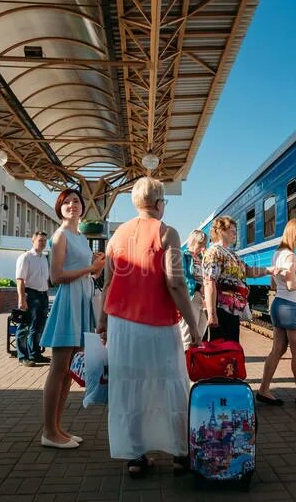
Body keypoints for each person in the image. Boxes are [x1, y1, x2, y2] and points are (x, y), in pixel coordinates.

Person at [97, 177, 199, 478]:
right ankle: (181, 453)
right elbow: (176, 282)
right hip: (157, 323)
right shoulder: (168, 233)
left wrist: (102, 321)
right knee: (171, 383)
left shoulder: (116, 237)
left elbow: (107, 283)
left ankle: (135, 456)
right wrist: (193, 325)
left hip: (122, 325)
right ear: (158, 204)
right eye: (164, 201)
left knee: (129, 386)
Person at [39, 189, 106, 449]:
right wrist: (92, 268)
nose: (71, 205)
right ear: (59, 208)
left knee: (68, 370)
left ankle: (57, 428)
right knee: (58, 369)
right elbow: (56, 276)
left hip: (82, 300)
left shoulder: (80, 237)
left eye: (76, 201)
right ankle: (49, 431)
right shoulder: (60, 236)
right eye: (65, 202)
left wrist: (94, 267)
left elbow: (81, 271)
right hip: (69, 304)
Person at [257, 218, 296, 406]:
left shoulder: (277, 254)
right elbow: (292, 285)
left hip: (278, 304)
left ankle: (263, 390)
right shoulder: (291, 256)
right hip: (291, 307)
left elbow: (274, 283)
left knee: (277, 350)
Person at [202, 216, 275, 342]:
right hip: (220, 310)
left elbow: (247, 271)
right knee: (220, 352)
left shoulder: (232, 254)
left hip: (232, 311)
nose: (235, 234)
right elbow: (209, 282)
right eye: (232, 231)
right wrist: (212, 314)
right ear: (220, 231)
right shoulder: (214, 252)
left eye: (235, 231)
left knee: (231, 351)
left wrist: (269, 270)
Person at [15, 231, 50, 367]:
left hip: (42, 294)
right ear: (33, 241)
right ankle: (23, 356)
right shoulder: (25, 257)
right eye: (40, 240)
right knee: (24, 326)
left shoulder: (43, 258)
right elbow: (20, 280)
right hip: (30, 294)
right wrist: (21, 299)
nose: (43, 243)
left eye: (45, 241)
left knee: (38, 326)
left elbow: (45, 279)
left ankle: (35, 354)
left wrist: (46, 294)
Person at [179, 229, 208, 349]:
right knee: (189, 334)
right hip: (192, 296)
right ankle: (185, 362)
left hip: (204, 299)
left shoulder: (203, 258)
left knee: (200, 333)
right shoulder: (184, 256)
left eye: (204, 244)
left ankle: (194, 362)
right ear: (192, 242)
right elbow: (182, 277)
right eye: (200, 244)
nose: (202, 247)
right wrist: (199, 287)